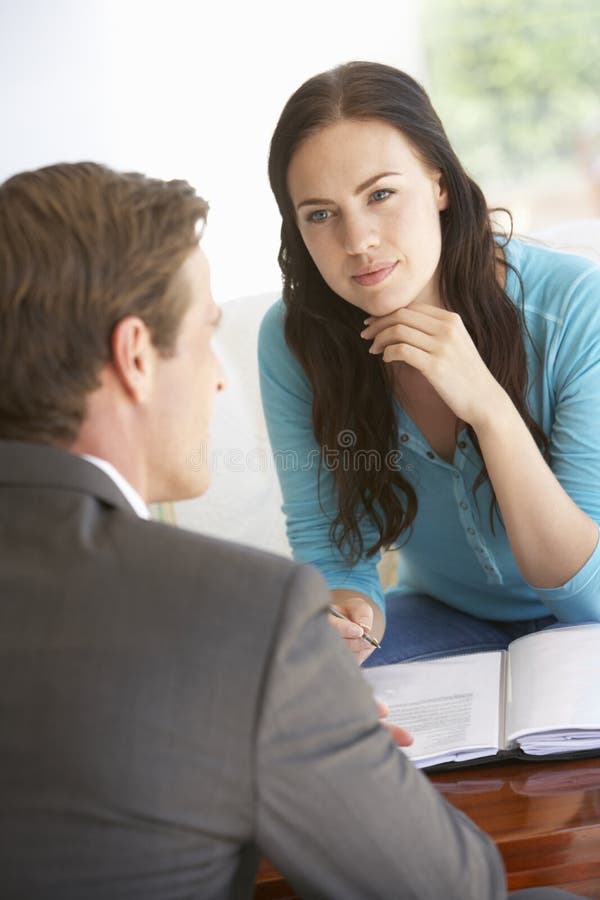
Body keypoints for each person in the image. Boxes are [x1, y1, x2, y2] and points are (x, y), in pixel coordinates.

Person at [1, 160, 575, 900]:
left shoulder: (562, 305)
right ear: (136, 356)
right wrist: (312, 730)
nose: (215, 378)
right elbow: (453, 889)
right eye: (204, 336)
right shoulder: (244, 618)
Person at [259, 60, 600, 668]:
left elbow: (586, 601)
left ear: (439, 184)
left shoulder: (576, 306)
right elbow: (331, 553)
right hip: (439, 615)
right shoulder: (294, 343)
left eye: (381, 194)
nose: (357, 239)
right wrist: (349, 618)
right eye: (320, 213)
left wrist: (491, 409)